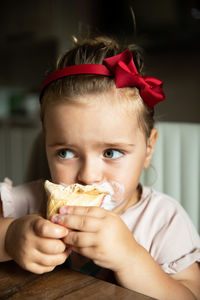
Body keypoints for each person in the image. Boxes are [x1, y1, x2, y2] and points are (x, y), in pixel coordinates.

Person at [0, 36, 200, 300]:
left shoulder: (163, 221)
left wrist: (130, 258)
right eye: (66, 152)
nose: (88, 176)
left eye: (111, 152)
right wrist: (10, 238)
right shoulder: (28, 202)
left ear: (148, 148)